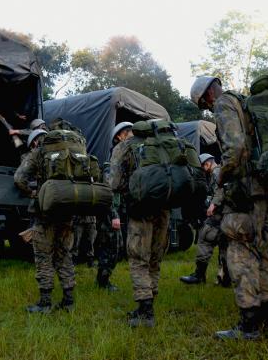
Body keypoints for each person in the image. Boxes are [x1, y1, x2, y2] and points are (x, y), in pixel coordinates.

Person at [191, 75, 268, 340]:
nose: (207, 108)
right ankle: (266, 322)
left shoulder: (223, 105)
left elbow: (235, 147)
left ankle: (249, 326)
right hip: (263, 188)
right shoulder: (244, 103)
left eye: (204, 104)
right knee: (261, 253)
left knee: (239, 256)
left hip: (243, 191)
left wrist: (222, 174)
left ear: (207, 96)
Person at [110, 121, 171, 328]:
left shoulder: (124, 147)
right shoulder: (160, 143)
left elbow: (115, 183)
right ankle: (151, 295)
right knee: (155, 255)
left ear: (121, 135)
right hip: (164, 206)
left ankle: (145, 311)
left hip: (140, 207)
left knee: (138, 257)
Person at [14, 122, 78, 314]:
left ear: (34, 143)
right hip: (68, 209)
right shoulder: (71, 152)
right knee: (64, 254)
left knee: (44, 256)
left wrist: (33, 193)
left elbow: (19, 178)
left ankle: (45, 302)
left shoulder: (38, 153)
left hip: (45, 213)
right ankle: (68, 301)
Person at [180, 153, 230, 287]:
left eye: (203, 167)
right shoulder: (222, 170)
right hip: (228, 215)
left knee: (205, 237)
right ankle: (226, 279)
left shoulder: (216, 172)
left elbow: (220, 190)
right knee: (225, 245)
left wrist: (213, 205)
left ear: (207, 164)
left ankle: (199, 275)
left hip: (219, 214)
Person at [95, 122, 133, 291]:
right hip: (111, 212)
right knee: (111, 248)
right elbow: (109, 190)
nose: (131, 134)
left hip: (120, 211)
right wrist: (114, 215)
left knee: (116, 247)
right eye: (127, 132)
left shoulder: (128, 159)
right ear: (118, 137)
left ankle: (103, 280)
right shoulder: (112, 162)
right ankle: (103, 282)